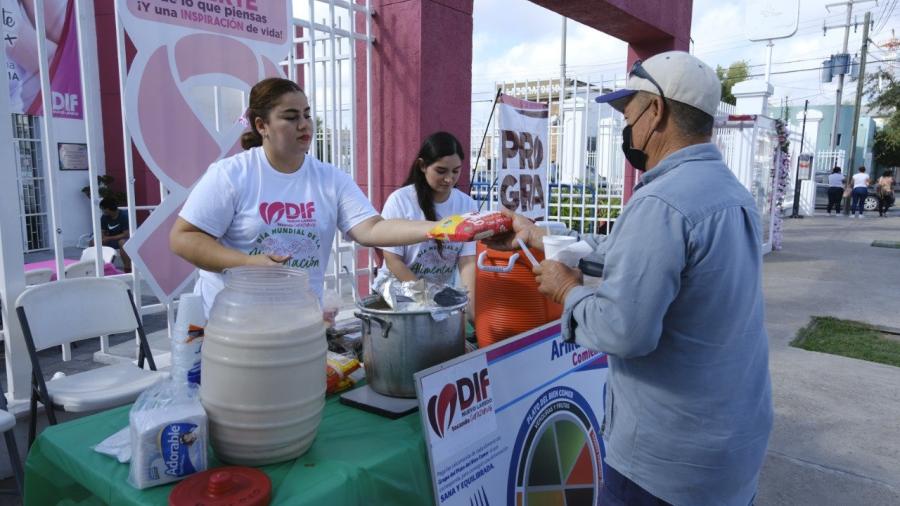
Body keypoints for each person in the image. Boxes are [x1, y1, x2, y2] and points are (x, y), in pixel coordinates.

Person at [487, 51, 772, 506]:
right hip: (732, 445)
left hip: (667, 464)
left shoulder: (663, 201)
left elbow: (624, 330)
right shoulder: (729, 192)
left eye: (629, 112)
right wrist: (540, 236)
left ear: (655, 111)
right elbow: (636, 256)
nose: (627, 128)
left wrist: (567, 290)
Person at [170, 78, 434, 316]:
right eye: (291, 116)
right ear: (262, 125)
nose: (304, 124)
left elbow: (371, 229)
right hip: (237, 323)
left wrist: (440, 228)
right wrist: (249, 264)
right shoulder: (231, 175)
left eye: (306, 115)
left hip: (302, 320)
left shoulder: (330, 178)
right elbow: (184, 238)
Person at [377, 132, 477, 317]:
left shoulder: (467, 205)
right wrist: (425, 299)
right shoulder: (400, 201)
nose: (449, 179)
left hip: (437, 297)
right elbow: (393, 261)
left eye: (456, 171)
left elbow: (468, 261)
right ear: (423, 165)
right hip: (398, 291)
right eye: (441, 171)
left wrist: (469, 306)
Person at [93, 197, 131, 273]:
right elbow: (102, 231)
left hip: (125, 239)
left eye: (103, 208)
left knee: (122, 243)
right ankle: (103, 267)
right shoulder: (104, 217)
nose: (102, 210)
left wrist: (108, 238)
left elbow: (126, 234)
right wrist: (102, 238)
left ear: (108, 208)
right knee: (93, 242)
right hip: (112, 239)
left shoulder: (124, 216)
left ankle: (128, 269)